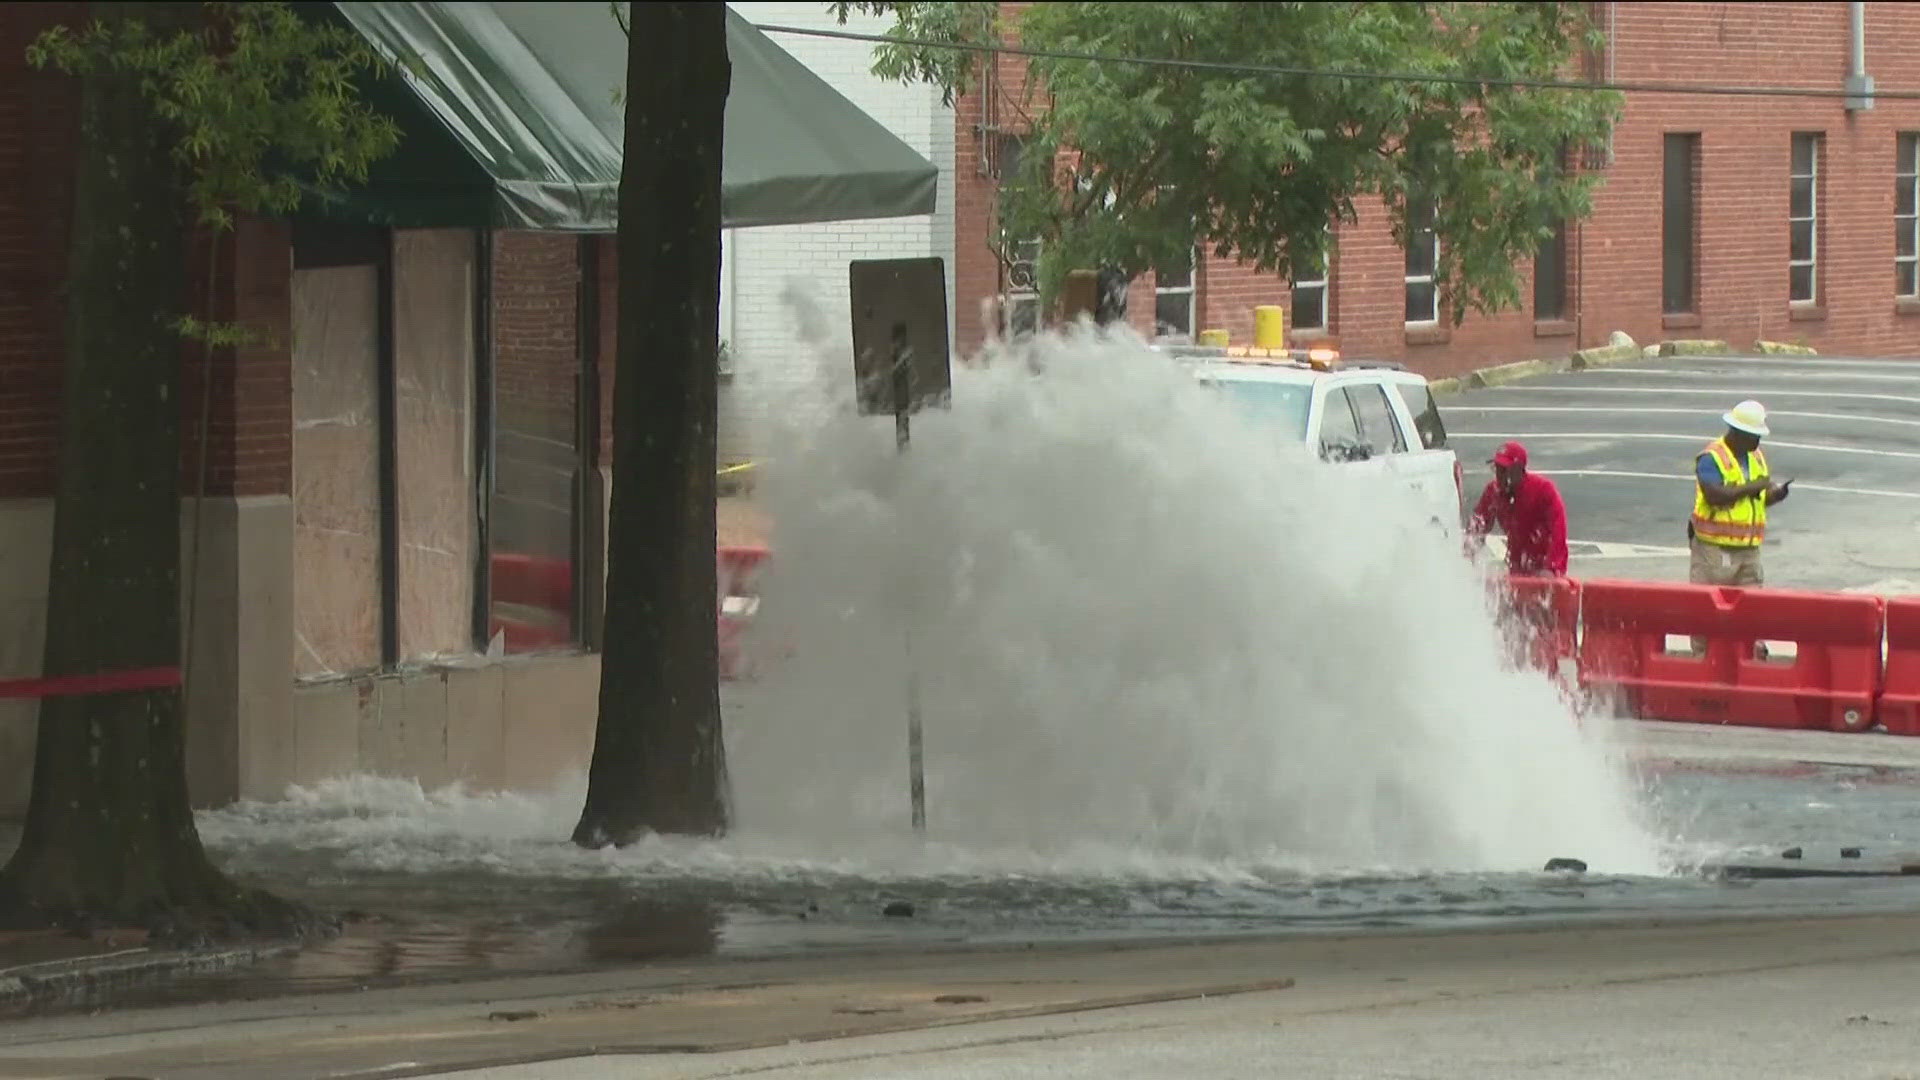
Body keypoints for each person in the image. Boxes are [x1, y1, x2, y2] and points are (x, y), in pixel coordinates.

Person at [1689, 399, 1791, 587]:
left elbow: (1755, 499)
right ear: (1738, 433)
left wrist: (1774, 495)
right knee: (1709, 604)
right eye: (1754, 435)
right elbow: (1714, 496)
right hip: (1715, 549)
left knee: (1750, 605)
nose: (1758, 440)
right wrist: (1754, 486)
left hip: (1748, 549)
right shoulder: (1712, 458)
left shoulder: (1756, 457)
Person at [1469, 441, 1569, 577]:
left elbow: (1558, 530)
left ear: (1519, 470)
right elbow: (1479, 524)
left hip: (1543, 562)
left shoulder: (1543, 490)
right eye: (1496, 469)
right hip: (1517, 562)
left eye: (1504, 470)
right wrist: (1469, 551)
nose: (1499, 476)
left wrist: (1551, 567)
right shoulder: (1493, 491)